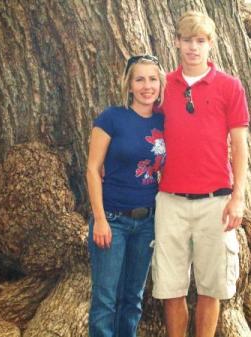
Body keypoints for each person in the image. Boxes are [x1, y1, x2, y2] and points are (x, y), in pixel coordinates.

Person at [152, 11, 250, 337]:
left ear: (210, 45)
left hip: (216, 201)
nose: (193, 47)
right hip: (170, 200)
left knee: (212, 286)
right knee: (170, 287)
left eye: (200, 41)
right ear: (176, 42)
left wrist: (238, 198)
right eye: (187, 40)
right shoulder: (163, 85)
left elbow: (239, 146)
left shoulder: (230, 86)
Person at [87, 54, 166, 337]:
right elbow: (93, 170)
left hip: (147, 223)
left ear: (160, 83)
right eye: (140, 79)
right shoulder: (112, 118)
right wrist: (99, 219)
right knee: (105, 300)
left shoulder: (163, 120)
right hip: (112, 220)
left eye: (153, 79)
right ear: (129, 85)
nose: (147, 85)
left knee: (133, 298)